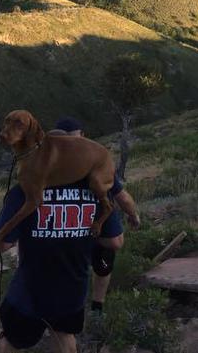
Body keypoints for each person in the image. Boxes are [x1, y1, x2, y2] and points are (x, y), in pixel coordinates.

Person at [0, 174, 123, 353]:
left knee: (11, 338)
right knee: (64, 335)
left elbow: (1, 244)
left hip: (30, 287)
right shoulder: (97, 188)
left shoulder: (25, 189)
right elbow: (115, 242)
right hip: (72, 281)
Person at [52, 117, 140, 316]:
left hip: (68, 227)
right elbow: (123, 198)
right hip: (80, 225)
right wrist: (133, 216)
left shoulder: (50, 165)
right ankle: (91, 307)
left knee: (104, 254)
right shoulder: (94, 161)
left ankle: (93, 307)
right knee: (109, 248)